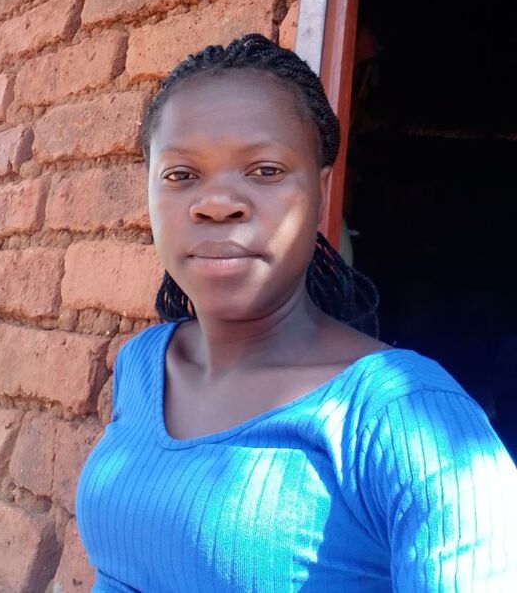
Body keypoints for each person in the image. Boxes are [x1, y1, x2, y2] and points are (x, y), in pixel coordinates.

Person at [76, 33, 517, 591]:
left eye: (265, 171)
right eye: (180, 175)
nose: (216, 204)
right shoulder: (143, 364)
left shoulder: (403, 417)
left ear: (321, 190)